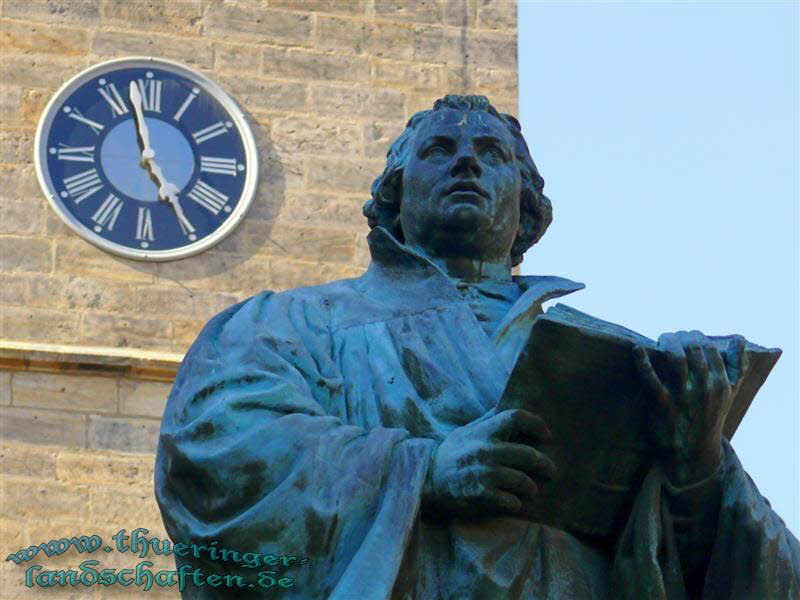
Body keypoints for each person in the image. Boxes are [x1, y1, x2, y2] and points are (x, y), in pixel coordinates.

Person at [155, 95, 799, 599]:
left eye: (492, 154)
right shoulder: (288, 324)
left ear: (526, 207)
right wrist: (421, 470)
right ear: (394, 196)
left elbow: (770, 578)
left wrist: (697, 470)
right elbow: (213, 452)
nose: (466, 160)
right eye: (438, 150)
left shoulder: (616, 364)